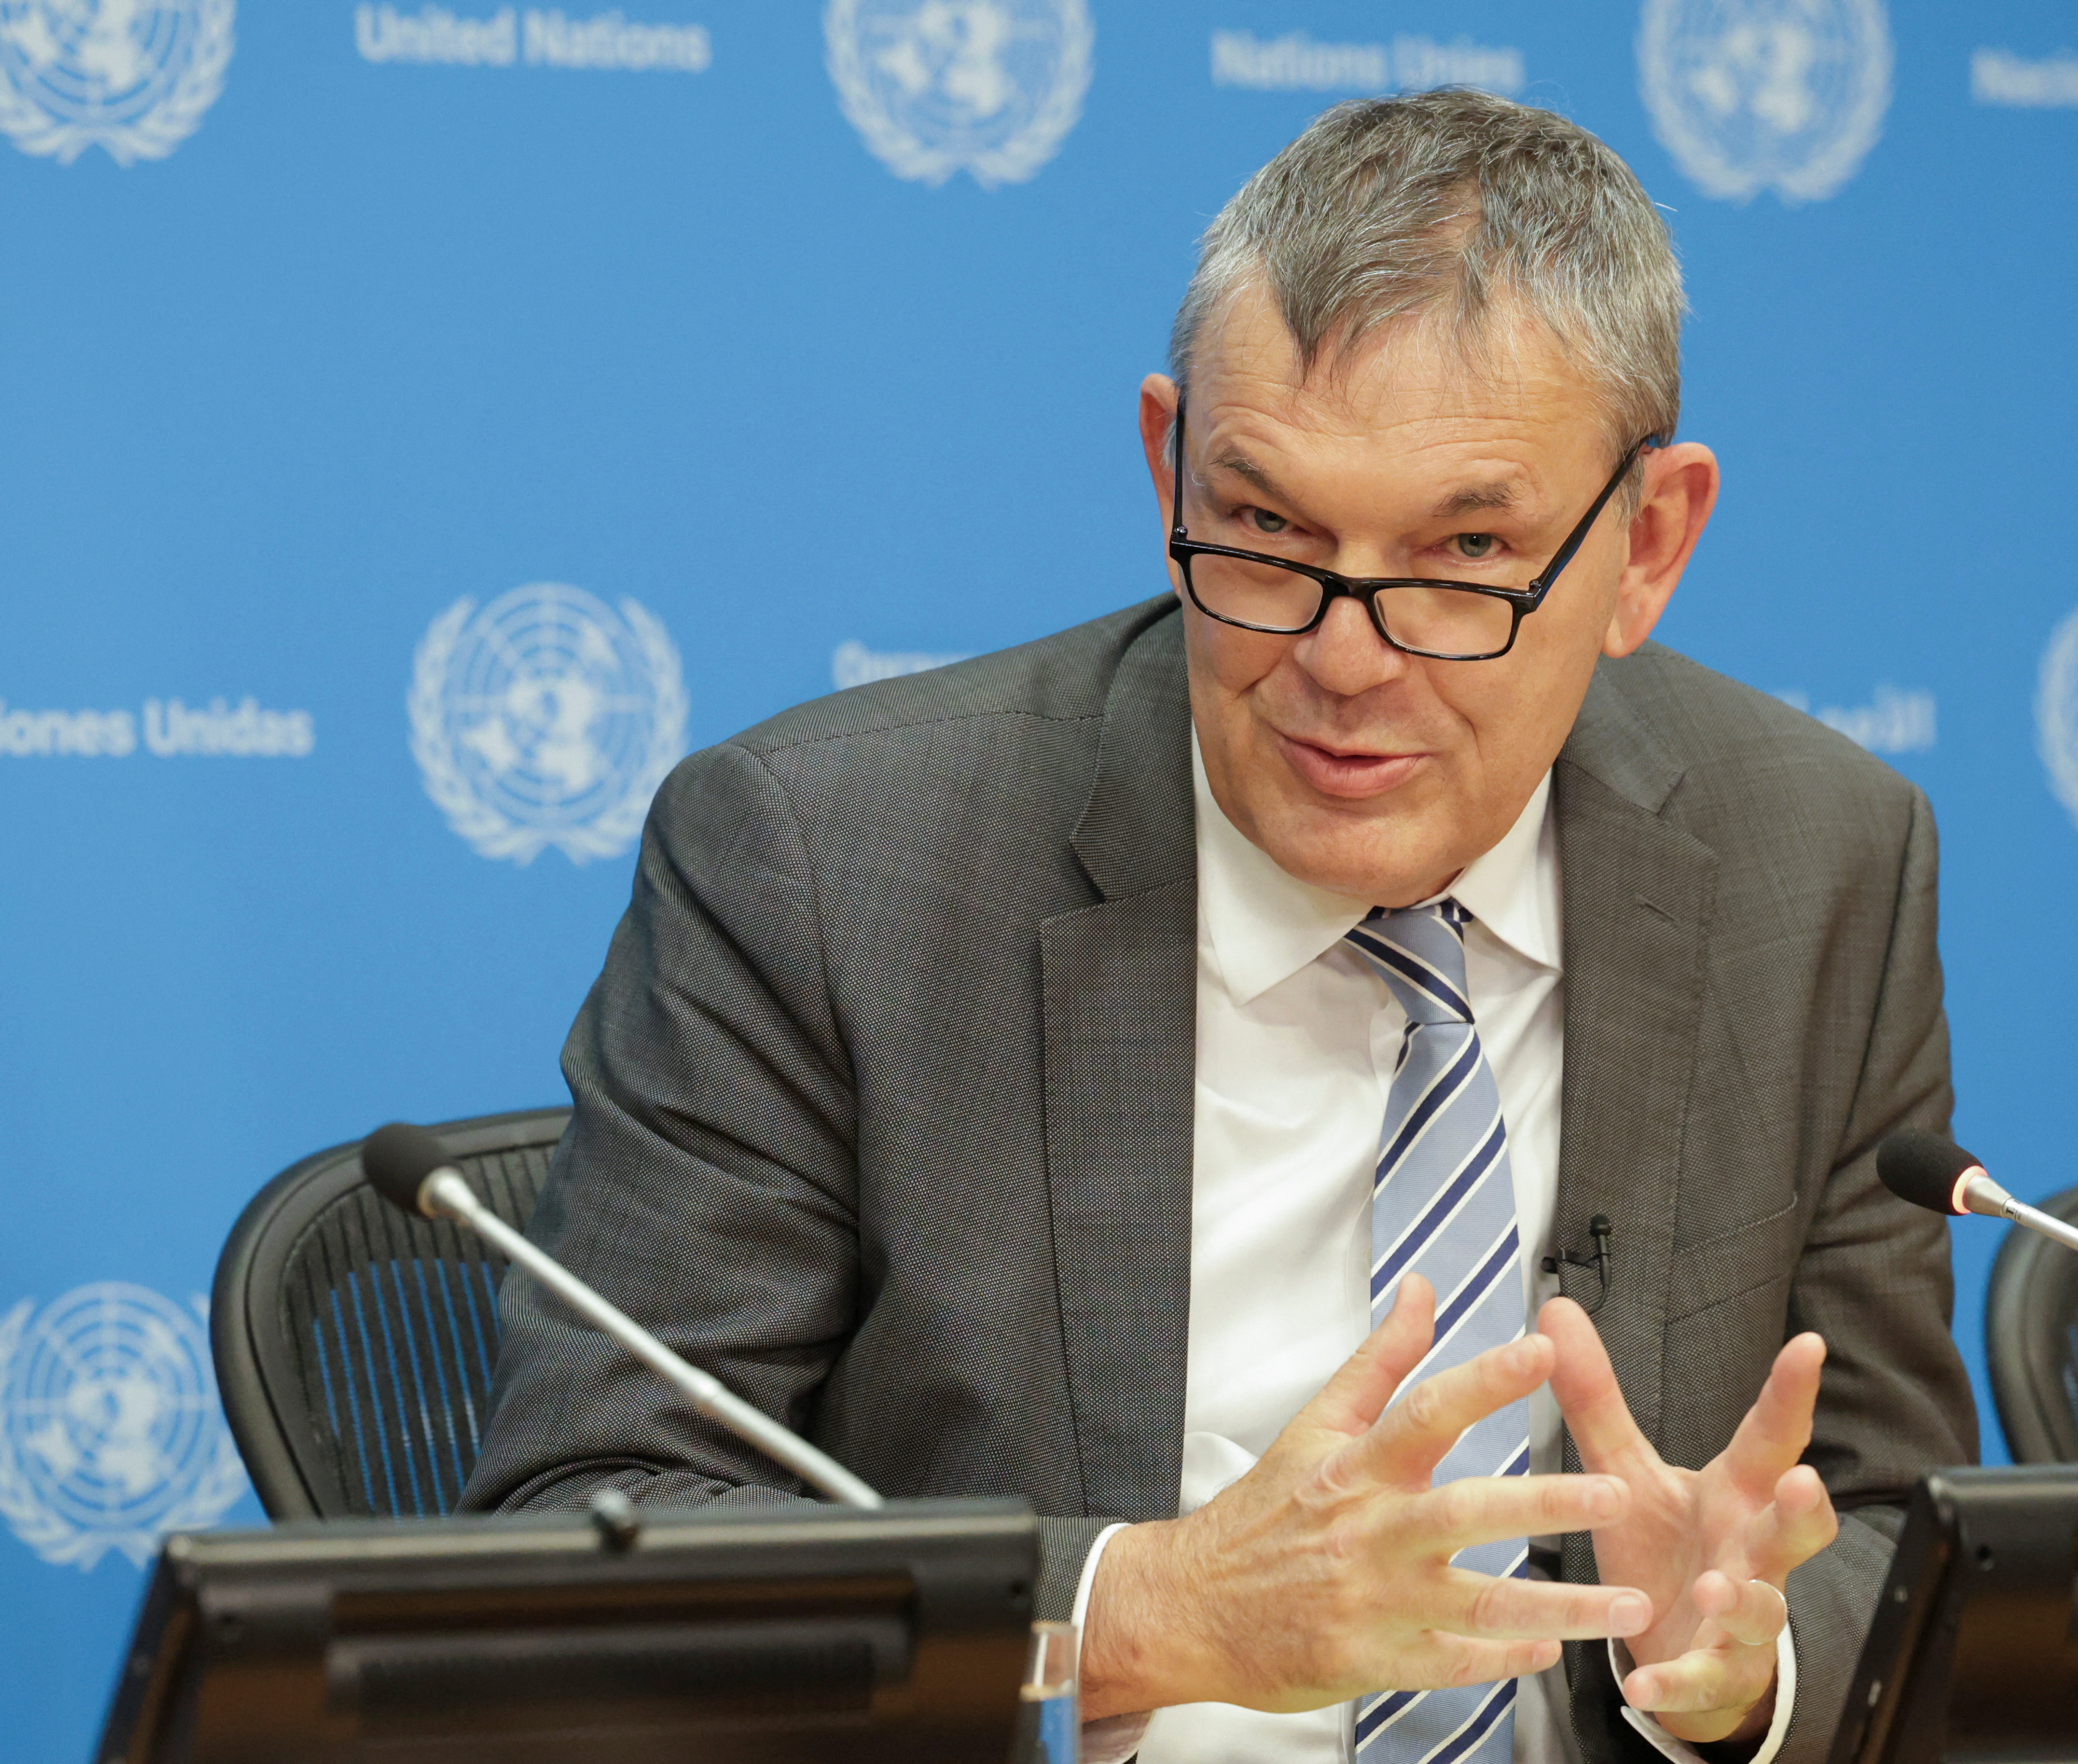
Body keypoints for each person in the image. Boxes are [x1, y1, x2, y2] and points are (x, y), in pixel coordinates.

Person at [461, 89, 1975, 1764]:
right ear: (1166, 461)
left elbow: (1901, 1535)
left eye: (1465, 557)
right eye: (1266, 531)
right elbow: (591, 1519)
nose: (1341, 655)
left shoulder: (1817, 858)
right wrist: (1142, 1611)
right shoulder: (825, 865)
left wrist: (1746, 1662)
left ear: (1647, 546)